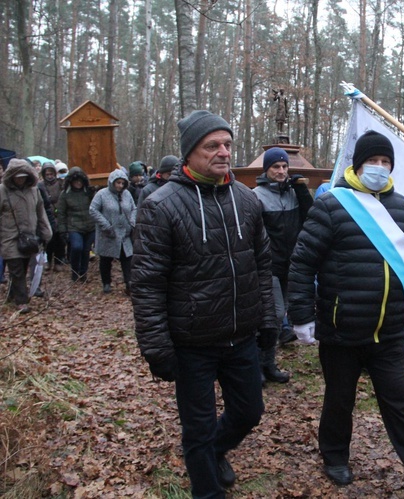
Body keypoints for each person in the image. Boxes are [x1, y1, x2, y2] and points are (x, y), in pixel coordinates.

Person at [288, 131, 404, 496]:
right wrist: (301, 316)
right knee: (339, 399)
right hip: (342, 329)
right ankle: (334, 455)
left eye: (385, 162)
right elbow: (302, 264)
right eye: (372, 162)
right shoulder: (332, 205)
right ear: (357, 165)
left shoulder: (402, 209)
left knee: (401, 405)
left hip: (390, 332)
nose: (379, 168)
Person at [131, 110, 276, 498]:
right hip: (191, 342)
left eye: (227, 144)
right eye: (212, 146)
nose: (223, 152)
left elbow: (262, 264)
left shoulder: (246, 200)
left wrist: (267, 318)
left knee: (249, 412)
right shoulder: (160, 206)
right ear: (190, 153)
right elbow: (146, 283)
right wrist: (156, 346)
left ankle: (214, 450)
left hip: (241, 336)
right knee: (196, 427)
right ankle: (206, 486)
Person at [252, 147, 314, 383]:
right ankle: (257, 365)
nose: (280, 171)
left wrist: (301, 190)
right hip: (268, 266)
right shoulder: (257, 195)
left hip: (291, 264)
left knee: (277, 317)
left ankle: (269, 365)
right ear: (266, 169)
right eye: (275, 167)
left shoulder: (292, 193)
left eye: (284, 167)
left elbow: (311, 216)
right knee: (273, 314)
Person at [0, 158, 52, 313]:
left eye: (23, 175)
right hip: (9, 236)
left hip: (29, 237)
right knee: (16, 268)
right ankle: (21, 301)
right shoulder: (2, 191)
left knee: (22, 269)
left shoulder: (34, 190)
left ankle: (12, 294)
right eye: (18, 176)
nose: (21, 179)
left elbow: (40, 212)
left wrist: (46, 231)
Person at [89, 169, 137, 294]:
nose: (120, 186)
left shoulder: (127, 194)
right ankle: (106, 283)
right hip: (108, 233)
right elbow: (93, 210)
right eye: (118, 183)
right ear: (112, 182)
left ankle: (129, 282)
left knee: (127, 258)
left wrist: (132, 221)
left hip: (125, 233)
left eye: (122, 183)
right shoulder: (101, 194)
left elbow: (134, 208)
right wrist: (105, 224)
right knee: (106, 259)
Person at [57, 167, 96, 283]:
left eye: (80, 180)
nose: (78, 183)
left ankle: (83, 273)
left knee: (86, 250)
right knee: (76, 247)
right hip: (74, 227)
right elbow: (61, 213)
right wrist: (62, 230)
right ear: (71, 181)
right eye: (76, 181)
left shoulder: (89, 192)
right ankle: (75, 272)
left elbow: (96, 206)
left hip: (90, 226)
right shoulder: (65, 195)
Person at [40, 162, 65, 271]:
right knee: (49, 239)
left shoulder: (60, 183)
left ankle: (59, 261)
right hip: (46, 214)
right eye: (47, 174)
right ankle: (48, 260)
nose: (50, 176)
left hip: (59, 213)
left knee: (60, 238)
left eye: (51, 174)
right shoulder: (40, 186)